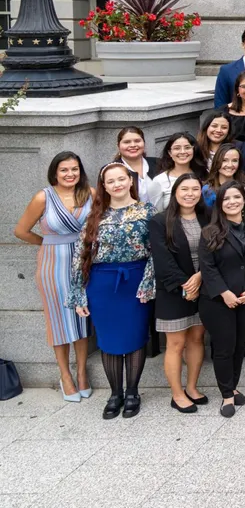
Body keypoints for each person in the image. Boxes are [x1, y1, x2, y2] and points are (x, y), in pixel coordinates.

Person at [69, 163, 154, 419]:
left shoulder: (148, 211)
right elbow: (80, 256)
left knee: (136, 337)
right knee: (108, 341)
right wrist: (78, 293)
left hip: (136, 280)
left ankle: (132, 392)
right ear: (104, 186)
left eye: (121, 179)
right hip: (102, 283)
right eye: (110, 181)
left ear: (130, 181)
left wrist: (148, 282)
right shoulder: (96, 216)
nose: (117, 184)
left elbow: (156, 251)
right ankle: (115, 393)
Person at [14, 153, 94, 402]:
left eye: (75, 169)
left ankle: (82, 372)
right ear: (54, 173)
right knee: (58, 320)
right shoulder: (43, 197)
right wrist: (47, 243)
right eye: (64, 170)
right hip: (53, 264)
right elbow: (20, 231)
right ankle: (65, 375)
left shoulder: (90, 193)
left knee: (82, 319)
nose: (70, 174)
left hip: (83, 262)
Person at [196, 183, 245, 417]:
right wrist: (224, 293)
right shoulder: (209, 231)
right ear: (220, 204)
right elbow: (207, 267)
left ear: (244, 200)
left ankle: (233, 385)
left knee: (239, 345)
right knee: (224, 347)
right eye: (226, 199)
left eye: (236, 197)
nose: (232, 202)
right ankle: (227, 394)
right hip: (217, 301)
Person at [147, 175, 209, 413]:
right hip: (173, 289)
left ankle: (192, 387)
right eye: (185, 189)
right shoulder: (160, 221)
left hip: (204, 286)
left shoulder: (209, 216)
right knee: (176, 343)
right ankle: (177, 393)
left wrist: (200, 277)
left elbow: (216, 250)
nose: (190, 193)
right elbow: (162, 260)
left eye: (195, 189)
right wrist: (187, 285)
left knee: (196, 339)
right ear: (175, 192)